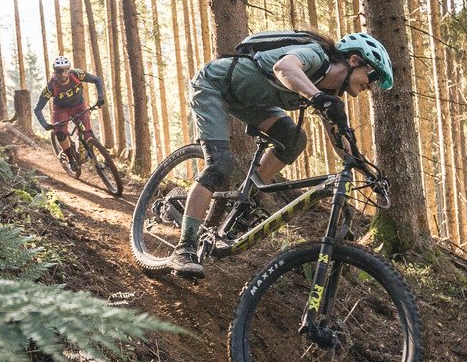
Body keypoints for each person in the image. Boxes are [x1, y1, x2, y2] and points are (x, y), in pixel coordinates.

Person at [167, 32, 393, 278]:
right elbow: (284, 67)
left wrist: (367, 172)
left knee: (294, 140)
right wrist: (317, 98)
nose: (371, 85)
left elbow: (341, 143)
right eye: (372, 75)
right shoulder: (317, 56)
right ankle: (185, 247)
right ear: (353, 60)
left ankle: (245, 202)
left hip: (252, 103)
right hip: (214, 85)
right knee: (220, 164)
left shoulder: (330, 92)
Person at [34, 56, 106, 168]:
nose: (63, 74)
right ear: (55, 71)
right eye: (59, 71)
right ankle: (71, 159)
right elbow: (37, 108)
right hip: (61, 109)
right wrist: (45, 124)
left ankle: (96, 157)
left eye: (65, 70)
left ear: (69, 69)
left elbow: (97, 80)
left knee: (87, 133)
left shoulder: (77, 74)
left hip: (79, 105)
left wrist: (100, 97)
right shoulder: (51, 86)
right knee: (60, 133)